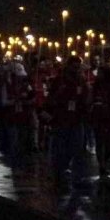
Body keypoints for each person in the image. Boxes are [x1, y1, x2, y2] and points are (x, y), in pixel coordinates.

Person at [47, 56, 90, 190]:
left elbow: (85, 97)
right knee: (61, 149)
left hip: (77, 119)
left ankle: (75, 176)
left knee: (77, 149)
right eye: (74, 66)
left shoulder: (81, 80)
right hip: (62, 119)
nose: (76, 69)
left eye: (78, 66)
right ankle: (60, 174)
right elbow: (51, 98)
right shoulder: (60, 80)